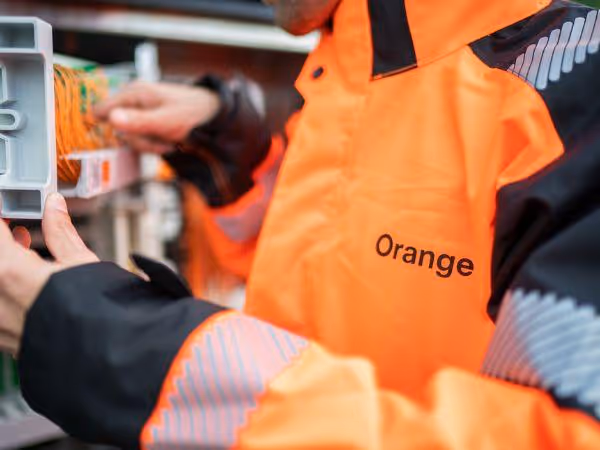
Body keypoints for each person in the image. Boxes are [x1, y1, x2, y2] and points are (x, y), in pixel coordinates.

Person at [2, 0, 600, 447]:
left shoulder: (575, 88)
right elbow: (329, 274)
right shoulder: (348, 69)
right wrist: (233, 154)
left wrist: (133, 350)